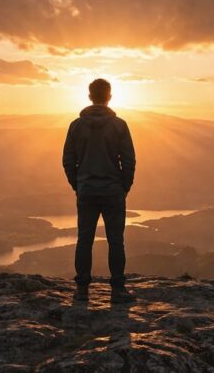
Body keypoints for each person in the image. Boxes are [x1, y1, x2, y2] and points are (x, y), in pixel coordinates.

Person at [62, 78, 136, 303]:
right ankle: (118, 290)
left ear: (89, 96)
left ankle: (82, 290)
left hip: (87, 191)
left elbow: (68, 160)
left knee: (84, 239)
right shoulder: (119, 125)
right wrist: (123, 187)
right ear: (109, 97)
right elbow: (129, 160)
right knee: (116, 240)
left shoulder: (76, 125)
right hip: (113, 191)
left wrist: (78, 185)